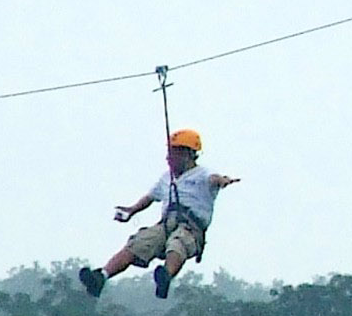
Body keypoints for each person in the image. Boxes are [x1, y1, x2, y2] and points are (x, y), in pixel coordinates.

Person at [81, 128, 239, 300]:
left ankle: (166, 277)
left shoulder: (203, 174)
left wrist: (223, 180)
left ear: (188, 154)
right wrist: (131, 210)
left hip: (190, 228)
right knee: (140, 242)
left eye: (174, 154)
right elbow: (150, 197)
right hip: (165, 224)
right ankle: (101, 276)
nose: (169, 159)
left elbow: (214, 179)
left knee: (178, 244)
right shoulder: (167, 178)